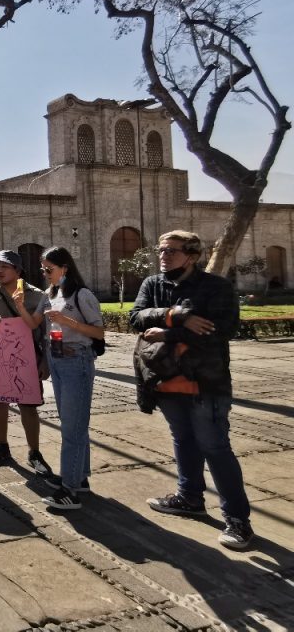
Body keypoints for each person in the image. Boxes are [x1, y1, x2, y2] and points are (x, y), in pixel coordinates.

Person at [130, 231, 253, 550]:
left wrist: (169, 334)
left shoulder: (216, 287)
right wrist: (176, 316)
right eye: (161, 250)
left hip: (206, 382)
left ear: (193, 255)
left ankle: (238, 520)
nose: (163, 255)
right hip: (166, 379)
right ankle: (189, 498)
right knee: (182, 439)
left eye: (172, 250)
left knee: (214, 446)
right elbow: (135, 318)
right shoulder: (153, 285)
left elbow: (223, 329)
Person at [0, 249, 53, 477]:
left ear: (17, 270)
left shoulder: (36, 295)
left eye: (4, 267)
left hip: (28, 359)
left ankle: (34, 452)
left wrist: (45, 361)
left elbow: (46, 331)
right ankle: (2, 445)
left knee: (28, 406)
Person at [36, 247, 104, 510]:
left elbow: (98, 332)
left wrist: (68, 321)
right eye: (43, 269)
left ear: (64, 268)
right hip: (57, 359)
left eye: (48, 269)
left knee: (72, 428)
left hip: (77, 361)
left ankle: (70, 488)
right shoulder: (51, 294)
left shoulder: (82, 294)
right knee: (71, 422)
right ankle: (80, 477)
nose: (45, 274)